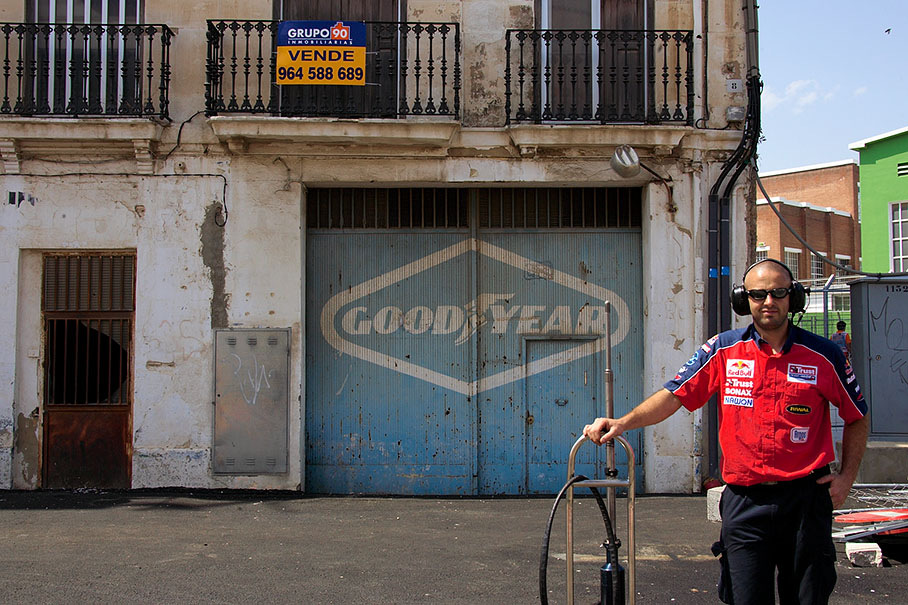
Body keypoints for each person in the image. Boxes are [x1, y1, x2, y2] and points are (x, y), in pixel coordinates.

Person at [583, 258, 869, 605]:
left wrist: (847, 477)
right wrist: (622, 423)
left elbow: (857, 417)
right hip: (745, 504)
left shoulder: (824, 355)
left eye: (778, 293)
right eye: (758, 294)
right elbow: (674, 396)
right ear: (743, 300)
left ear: (793, 297)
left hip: (806, 502)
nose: (768, 301)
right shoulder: (723, 350)